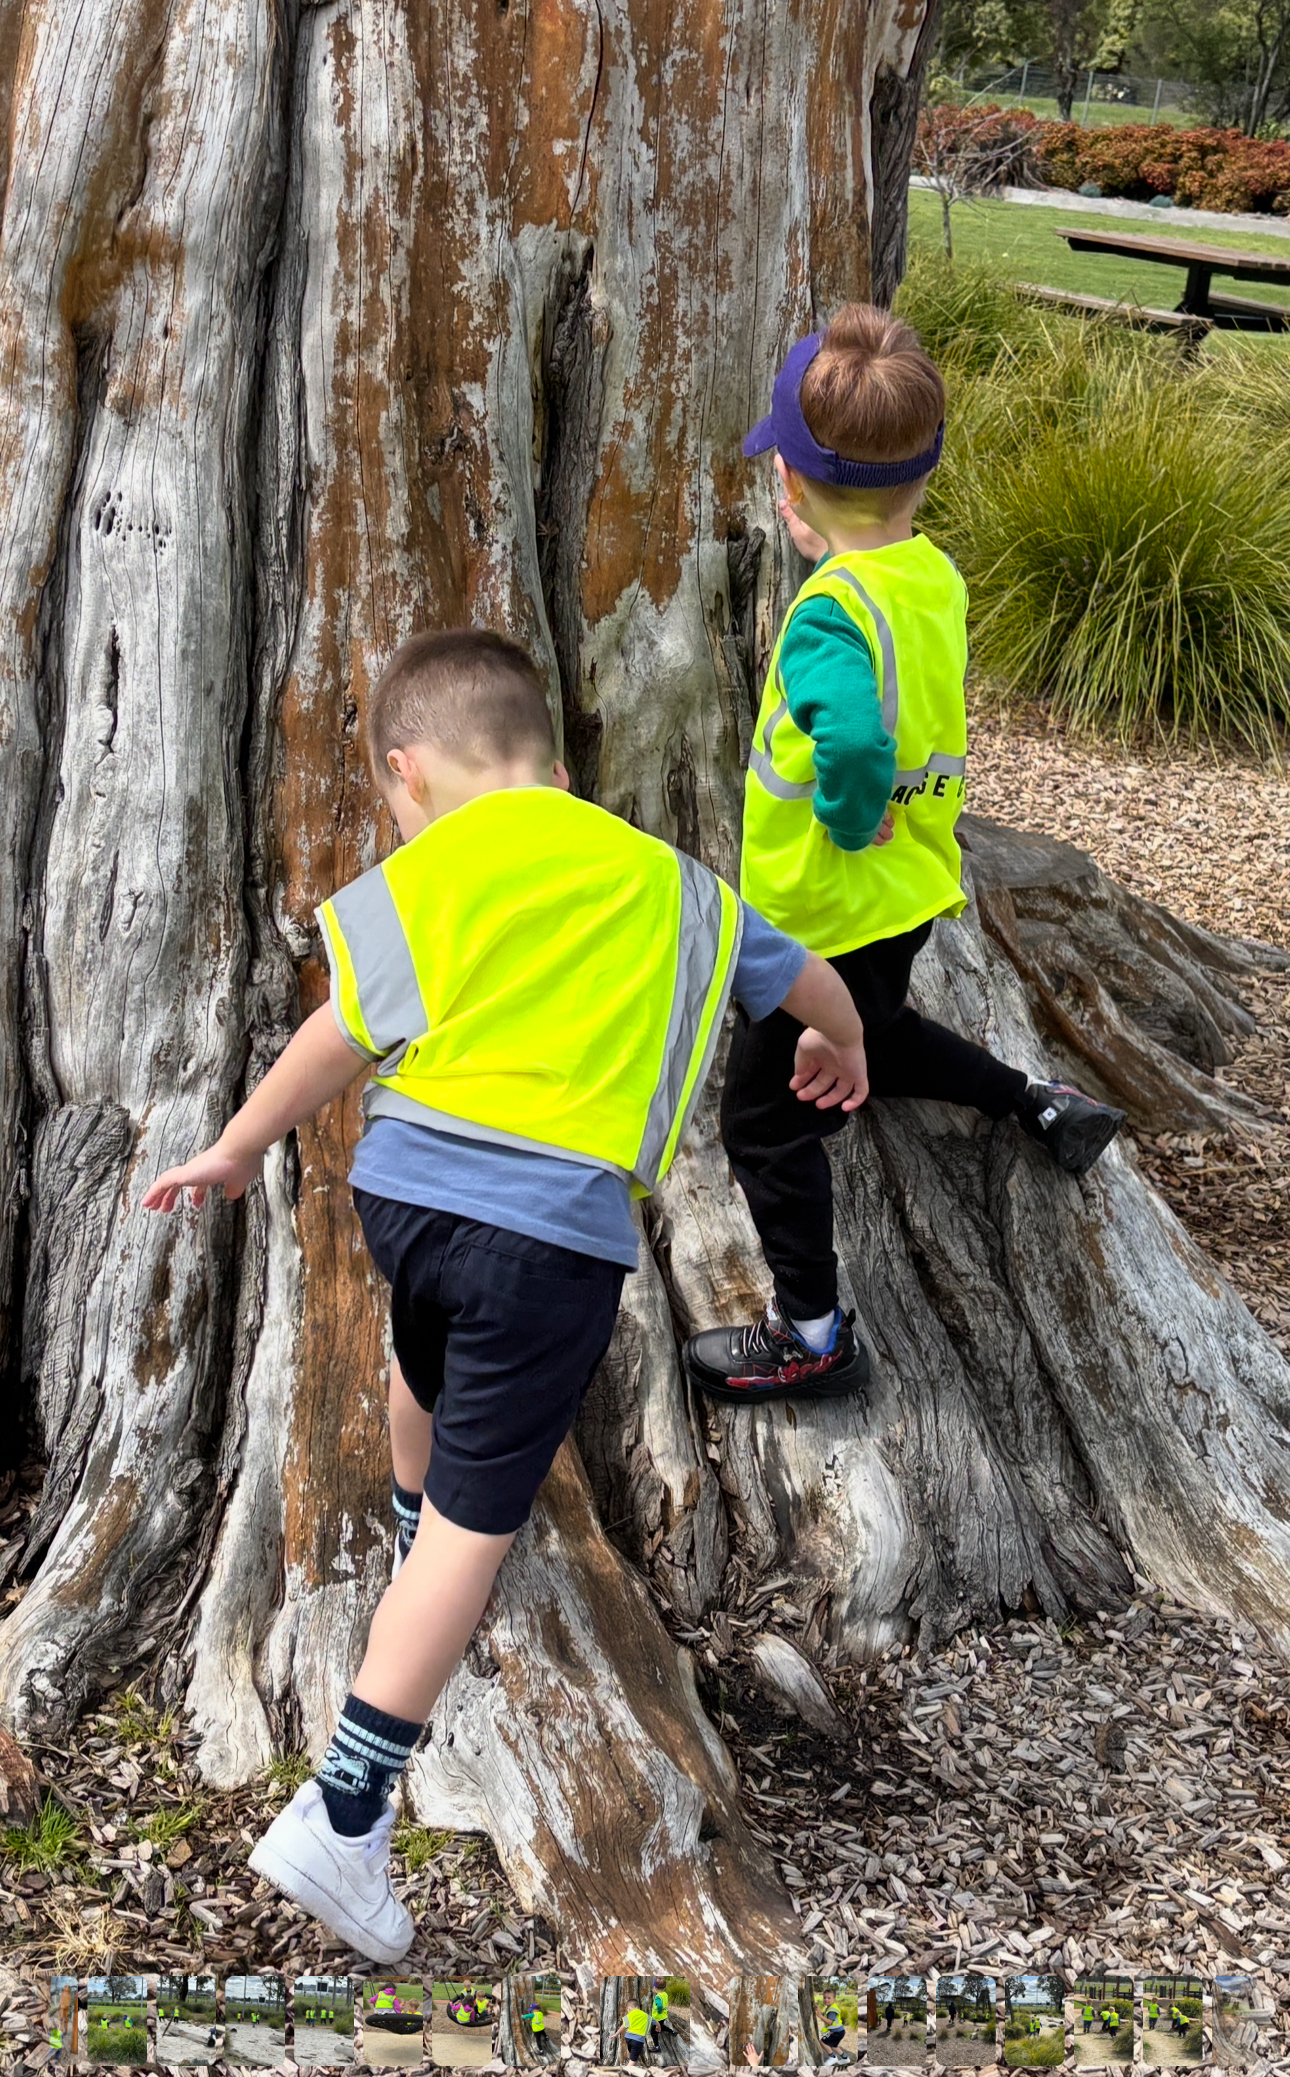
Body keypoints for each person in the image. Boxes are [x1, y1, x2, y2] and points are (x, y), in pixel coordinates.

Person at [144, 626, 866, 1964]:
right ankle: (346, 1812)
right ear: (554, 764)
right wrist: (844, 1035)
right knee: (477, 1534)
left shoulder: (429, 870)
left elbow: (341, 1032)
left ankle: (411, 1523)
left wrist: (238, 1147)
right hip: (549, 1234)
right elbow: (801, 979)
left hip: (402, 1194)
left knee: (423, 1356)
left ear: (407, 771)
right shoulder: (673, 880)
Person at [683, 306, 1125, 1403]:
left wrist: (847, 814)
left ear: (789, 488)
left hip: (820, 920)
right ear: (922, 479)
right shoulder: (934, 576)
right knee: (878, 1030)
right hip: (907, 892)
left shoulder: (828, 614)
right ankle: (1035, 1100)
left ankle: (813, 1335)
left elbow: (852, 740)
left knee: (760, 1124)